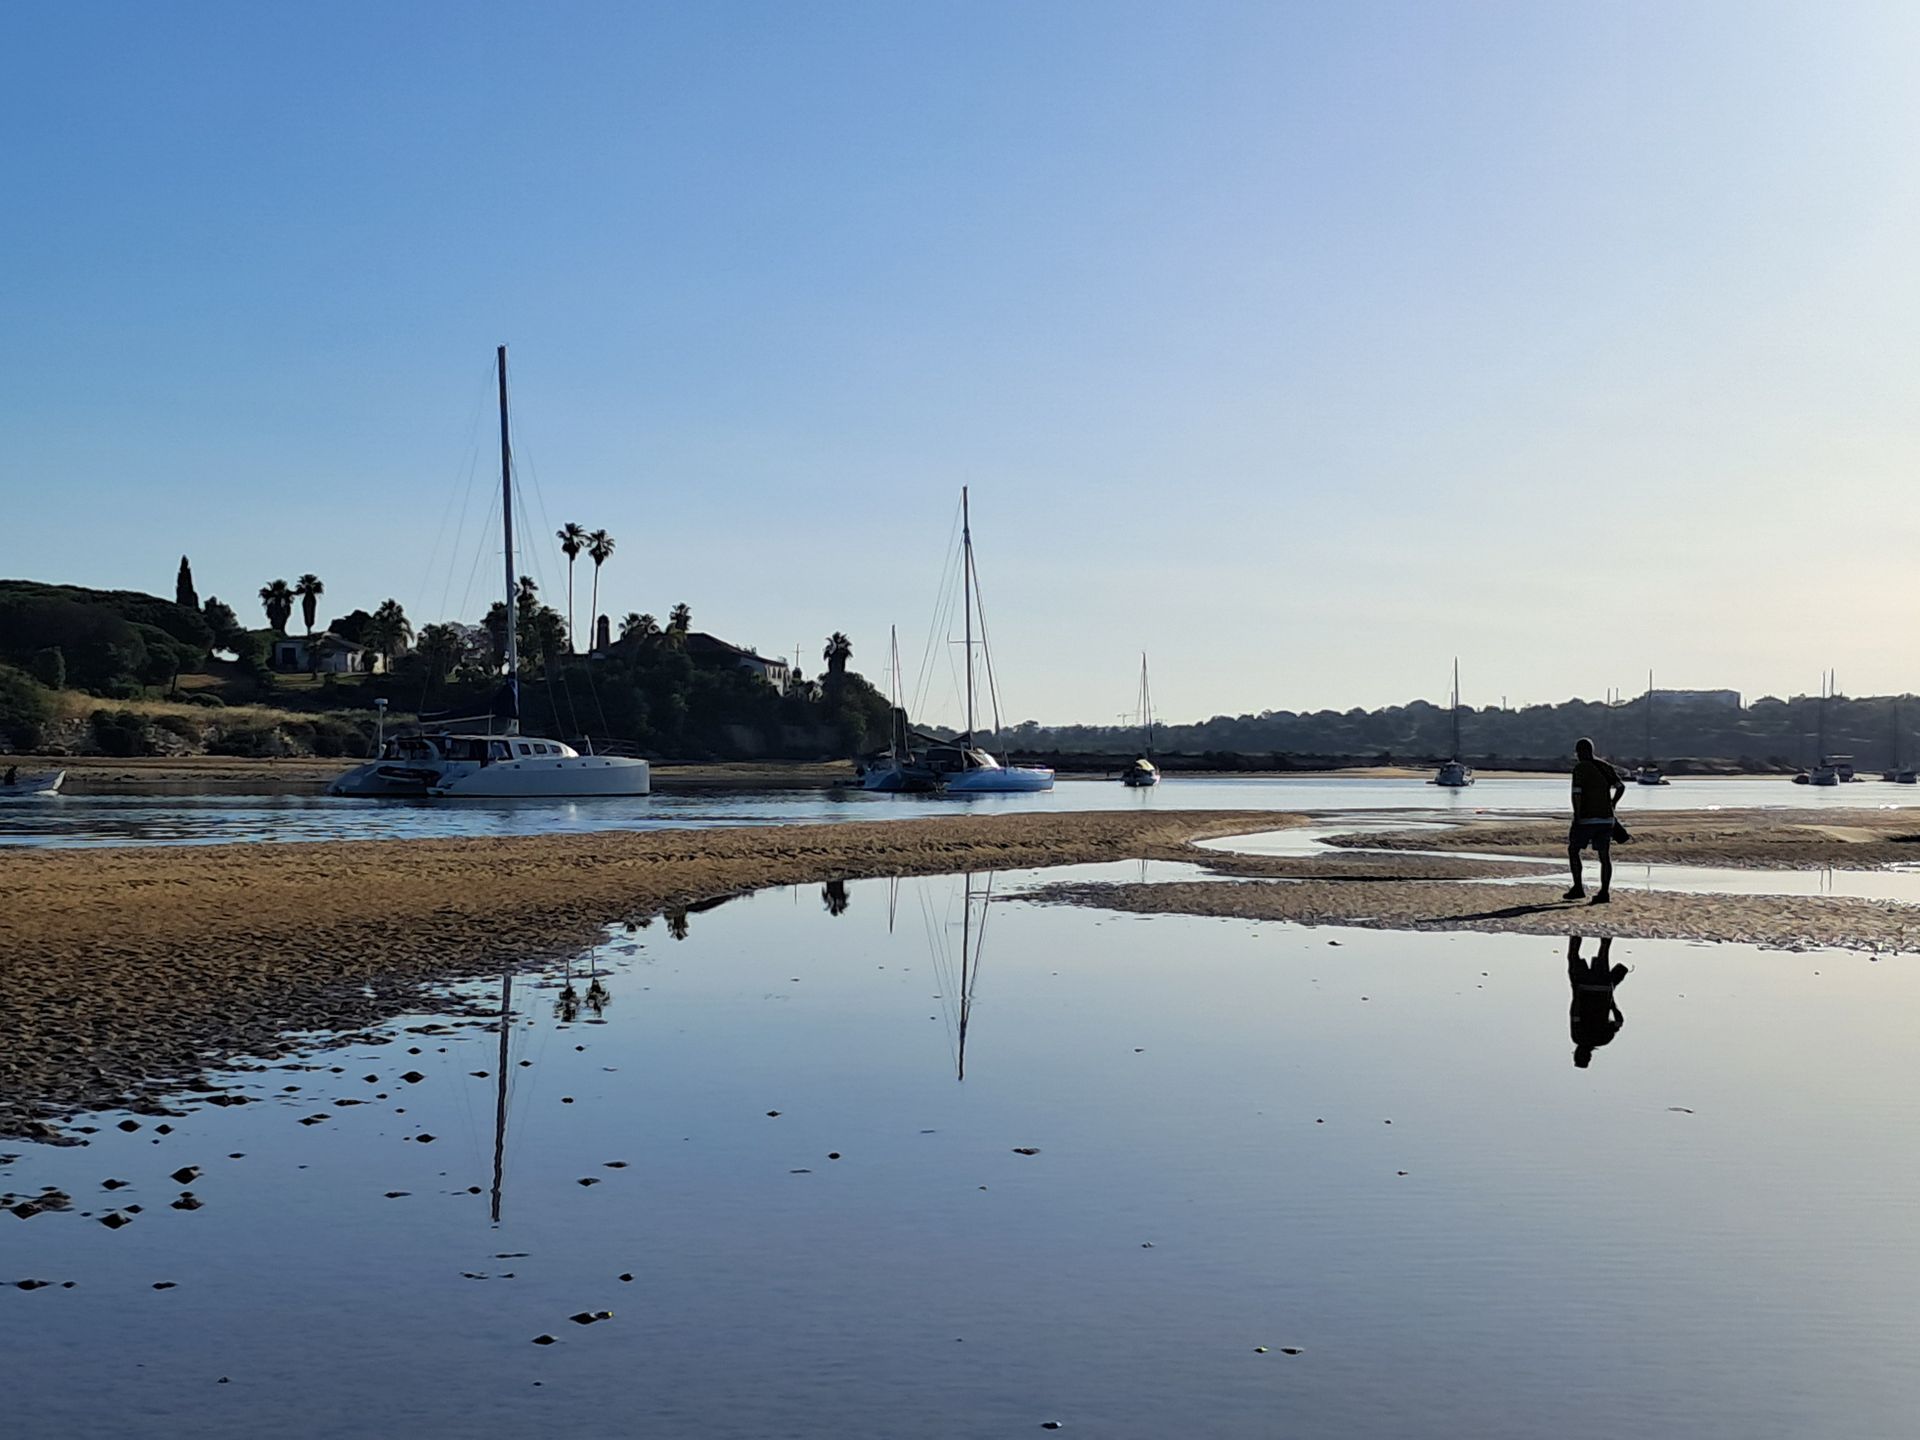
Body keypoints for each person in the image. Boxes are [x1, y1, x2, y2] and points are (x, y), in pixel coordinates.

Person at [1565, 736, 1625, 903]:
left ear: (1580, 752)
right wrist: (1612, 803)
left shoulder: (1580, 768)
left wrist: (1577, 815)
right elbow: (1621, 787)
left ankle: (1578, 887)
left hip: (1586, 819)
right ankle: (1604, 892)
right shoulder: (1605, 767)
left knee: (1573, 850)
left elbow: (1576, 794)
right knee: (1604, 856)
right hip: (1606, 819)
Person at [1567, 935, 1628, 1068]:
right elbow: (1575, 1013)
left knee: (1603, 952)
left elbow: (1619, 1022)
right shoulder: (1578, 1037)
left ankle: (1606, 930)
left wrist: (1611, 1003)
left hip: (1602, 989)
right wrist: (1577, 994)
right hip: (1583, 988)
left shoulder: (1603, 1040)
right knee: (1573, 956)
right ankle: (1575, 931)